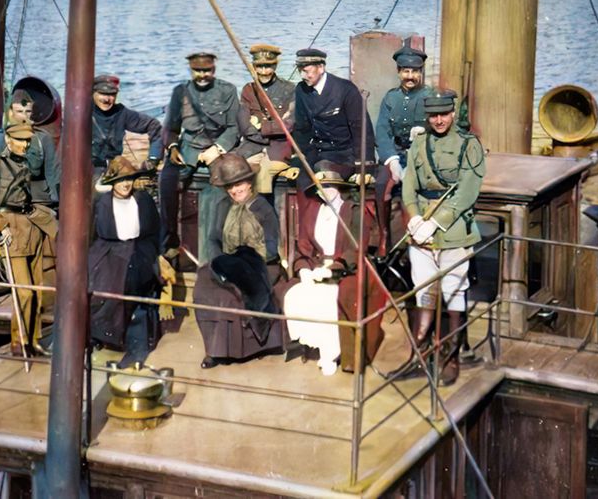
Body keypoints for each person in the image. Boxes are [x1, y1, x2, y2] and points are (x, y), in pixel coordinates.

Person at [392, 89, 485, 387]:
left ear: (453, 113)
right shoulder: (419, 144)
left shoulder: (469, 145)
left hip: (453, 230)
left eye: (444, 114)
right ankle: (419, 356)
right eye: (433, 115)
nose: (439, 120)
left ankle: (451, 357)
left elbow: (467, 193)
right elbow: (409, 185)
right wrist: (414, 217)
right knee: (424, 291)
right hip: (421, 230)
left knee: (454, 292)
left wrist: (436, 223)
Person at [281, 167, 384, 376]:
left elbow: (357, 248)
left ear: (339, 187)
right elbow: (303, 246)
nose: (325, 191)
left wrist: (333, 270)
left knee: (331, 299)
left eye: (329, 186)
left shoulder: (355, 211)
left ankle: (332, 354)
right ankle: (314, 346)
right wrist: (304, 269)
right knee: (294, 294)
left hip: (347, 269)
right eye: (320, 187)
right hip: (316, 267)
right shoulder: (313, 211)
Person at [0, 122, 58, 357]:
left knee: (36, 290)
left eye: (27, 141)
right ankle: (19, 342)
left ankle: (33, 341)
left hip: (31, 230)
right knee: (23, 292)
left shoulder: (25, 164)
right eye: (20, 140)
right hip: (10, 232)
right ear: (8, 140)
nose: (25, 145)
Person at [193, 153, 283, 369]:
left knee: (234, 294)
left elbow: (271, 247)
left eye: (239, 184)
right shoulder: (223, 206)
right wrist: (220, 263)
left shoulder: (263, 208)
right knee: (204, 288)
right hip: (227, 263)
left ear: (249, 182)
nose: (235, 190)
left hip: (259, 265)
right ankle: (214, 350)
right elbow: (213, 239)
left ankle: (249, 348)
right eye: (230, 186)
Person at [88, 157, 172, 367]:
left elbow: (156, 229)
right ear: (112, 183)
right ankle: (102, 334)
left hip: (139, 248)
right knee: (101, 284)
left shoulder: (143, 200)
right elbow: (92, 235)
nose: (125, 184)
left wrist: (159, 254)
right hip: (108, 249)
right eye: (120, 180)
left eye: (129, 179)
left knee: (130, 281)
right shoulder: (101, 203)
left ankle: (133, 341)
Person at [159, 53, 240, 258]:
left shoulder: (227, 90)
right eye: (197, 71)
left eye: (207, 70)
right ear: (191, 70)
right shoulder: (180, 91)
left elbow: (234, 127)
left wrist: (218, 148)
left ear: (214, 69)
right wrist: (173, 147)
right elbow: (170, 127)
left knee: (221, 187)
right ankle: (170, 240)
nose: (202, 75)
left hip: (216, 148)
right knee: (167, 181)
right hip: (188, 147)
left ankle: (216, 246)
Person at [292, 48, 375, 214]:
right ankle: (307, 226)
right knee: (301, 182)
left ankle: (336, 219)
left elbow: (361, 129)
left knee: (325, 176)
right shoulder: (301, 90)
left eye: (306, 71)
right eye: (300, 71)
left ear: (321, 67)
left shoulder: (345, 89)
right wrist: (298, 157)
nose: (303, 75)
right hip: (317, 152)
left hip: (344, 154)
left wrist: (364, 168)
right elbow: (302, 128)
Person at [374, 46, 434, 254]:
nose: (410, 76)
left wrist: (426, 131)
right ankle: (384, 236)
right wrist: (391, 160)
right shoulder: (391, 98)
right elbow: (382, 131)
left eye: (415, 72)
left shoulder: (431, 96)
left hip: (422, 156)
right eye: (406, 71)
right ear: (399, 72)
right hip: (397, 153)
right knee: (381, 184)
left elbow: (442, 126)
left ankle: (414, 239)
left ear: (421, 72)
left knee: (415, 188)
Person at [0, 88, 60, 207]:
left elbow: (52, 174)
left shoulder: (43, 139)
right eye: (19, 111)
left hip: (37, 201)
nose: (24, 116)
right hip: (6, 200)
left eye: (28, 111)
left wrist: (55, 202)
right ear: (11, 112)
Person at [233, 43, 295, 199]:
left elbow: (289, 125)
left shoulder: (289, 89)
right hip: (252, 147)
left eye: (268, 66)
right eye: (259, 67)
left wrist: (261, 125)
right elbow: (245, 126)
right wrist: (271, 130)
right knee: (234, 171)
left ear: (275, 66)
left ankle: (263, 210)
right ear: (253, 66)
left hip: (279, 149)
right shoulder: (248, 90)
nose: (263, 71)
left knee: (264, 175)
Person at [91, 73, 163, 180]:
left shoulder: (121, 113)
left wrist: (153, 158)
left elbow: (154, 125)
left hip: (112, 168)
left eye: (112, 94)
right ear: (92, 93)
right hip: (87, 168)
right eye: (102, 93)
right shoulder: (82, 112)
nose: (107, 99)